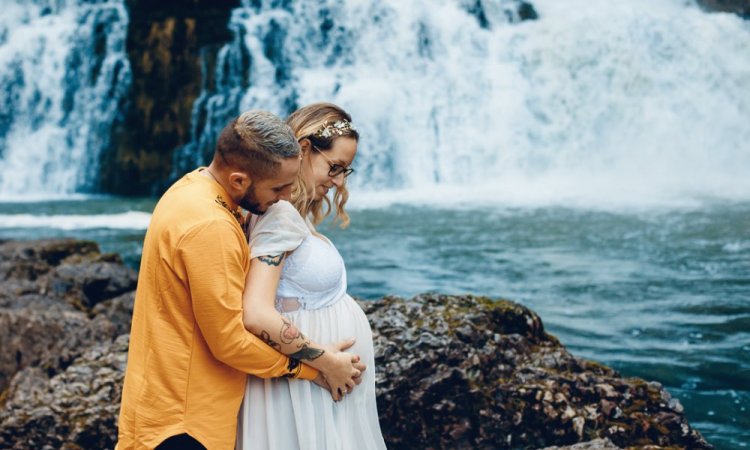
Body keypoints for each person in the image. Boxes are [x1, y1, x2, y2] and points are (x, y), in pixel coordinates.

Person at [116, 110, 365, 450]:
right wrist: (315, 368)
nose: (284, 197)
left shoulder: (190, 189)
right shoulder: (211, 226)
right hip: (186, 423)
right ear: (238, 180)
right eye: (278, 188)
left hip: (169, 406)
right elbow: (230, 340)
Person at [237, 103, 387, 450]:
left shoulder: (290, 214)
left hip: (311, 386)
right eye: (334, 168)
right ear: (304, 149)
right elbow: (256, 312)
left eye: (345, 172)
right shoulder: (279, 215)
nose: (337, 182)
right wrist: (325, 362)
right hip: (303, 387)